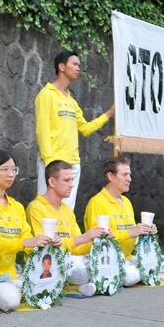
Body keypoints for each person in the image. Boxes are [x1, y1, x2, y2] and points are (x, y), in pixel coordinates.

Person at [0, 150, 55, 311]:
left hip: (11, 273)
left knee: (46, 288)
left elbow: (28, 240)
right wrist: (25, 242)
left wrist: (46, 243)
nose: (11, 174)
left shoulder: (17, 206)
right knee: (13, 300)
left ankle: (10, 288)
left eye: (14, 170)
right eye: (5, 169)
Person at [34, 50, 115, 210]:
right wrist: (51, 166)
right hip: (54, 162)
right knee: (47, 210)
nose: (78, 68)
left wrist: (109, 113)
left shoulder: (71, 101)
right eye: (75, 64)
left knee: (66, 211)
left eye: (79, 65)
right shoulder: (46, 95)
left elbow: (85, 128)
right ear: (62, 67)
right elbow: (42, 133)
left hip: (73, 163)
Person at [84, 156, 164, 285]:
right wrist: (130, 233)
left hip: (129, 258)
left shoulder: (126, 202)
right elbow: (99, 241)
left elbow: (133, 234)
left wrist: (146, 231)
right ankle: (100, 276)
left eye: (130, 175)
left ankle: (139, 272)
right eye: (125, 175)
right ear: (110, 176)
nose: (129, 179)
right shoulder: (97, 202)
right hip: (108, 259)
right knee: (131, 277)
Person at [27, 160, 110, 296]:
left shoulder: (67, 210)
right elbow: (45, 250)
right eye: (66, 180)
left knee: (101, 259)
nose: (72, 184)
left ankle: (79, 286)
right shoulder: (36, 207)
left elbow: (77, 248)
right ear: (52, 182)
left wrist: (97, 239)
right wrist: (84, 237)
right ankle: (81, 284)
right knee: (75, 265)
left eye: (72, 180)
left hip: (69, 259)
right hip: (48, 263)